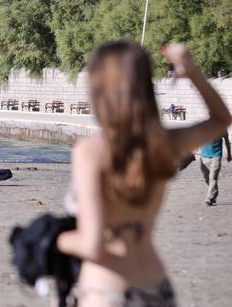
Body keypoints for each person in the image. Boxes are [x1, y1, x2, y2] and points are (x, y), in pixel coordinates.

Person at [55, 41, 231, 307]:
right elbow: (221, 119)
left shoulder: (91, 152)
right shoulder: (164, 144)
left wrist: (50, 238)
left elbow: (93, 245)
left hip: (106, 291)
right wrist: (191, 71)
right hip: (156, 285)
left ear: (99, 88)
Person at [199, 131, 231, 206]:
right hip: (203, 156)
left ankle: (209, 199)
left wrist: (229, 154)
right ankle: (214, 193)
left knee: (213, 177)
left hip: (216, 156)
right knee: (206, 178)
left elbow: (227, 141)